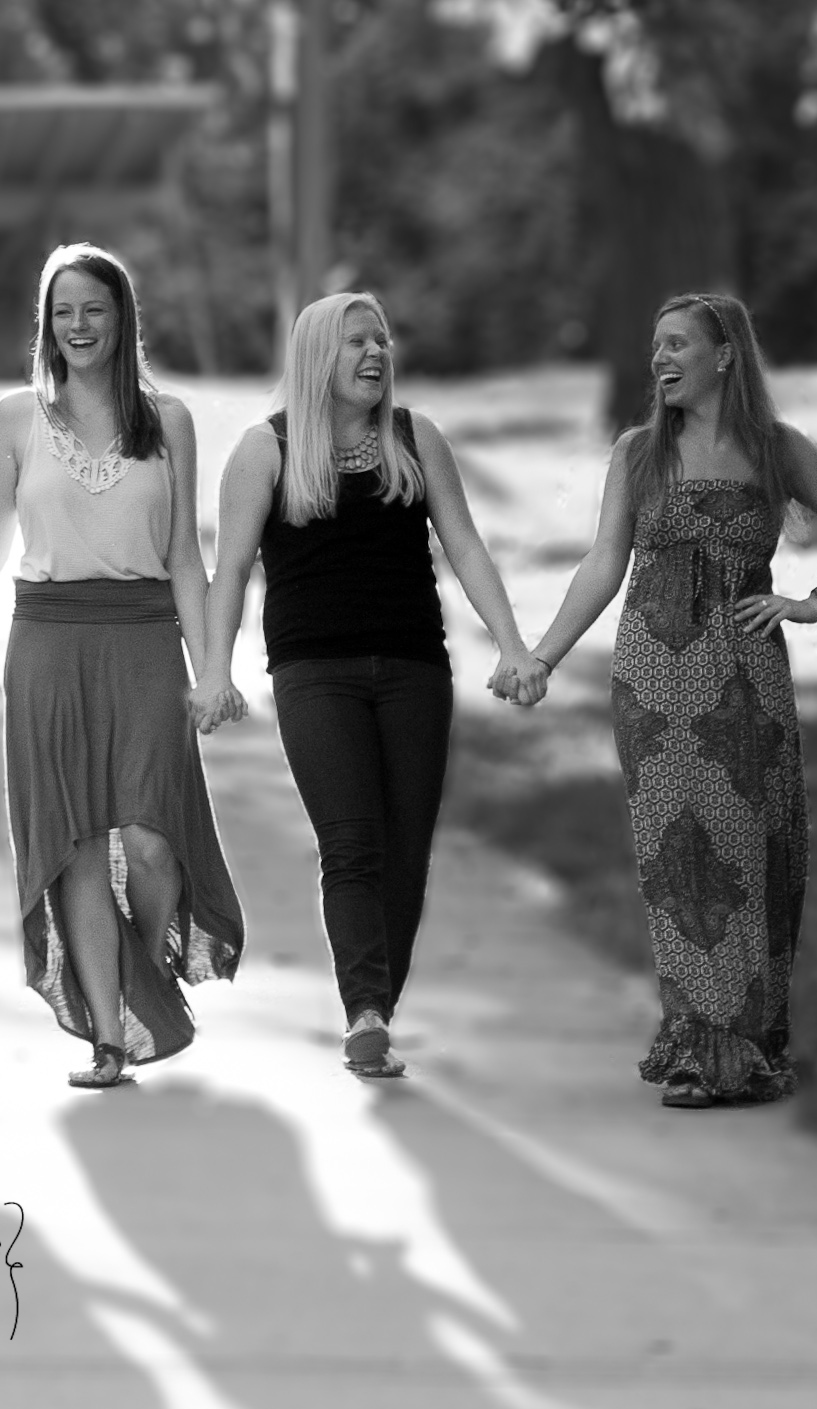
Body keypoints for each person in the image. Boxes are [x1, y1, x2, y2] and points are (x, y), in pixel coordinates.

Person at [528, 292, 817, 1108]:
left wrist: (815, 601)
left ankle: (749, 1045)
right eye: (656, 344)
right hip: (651, 682)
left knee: (752, 854)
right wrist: (543, 655)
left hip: (746, 677)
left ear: (724, 356)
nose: (660, 358)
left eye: (677, 343)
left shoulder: (777, 448)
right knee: (675, 857)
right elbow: (603, 563)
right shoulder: (637, 452)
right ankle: (696, 1046)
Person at [194, 292, 544, 1079]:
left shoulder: (415, 439)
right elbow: (232, 571)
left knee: (405, 850)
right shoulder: (266, 449)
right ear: (320, 353)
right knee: (352, 842)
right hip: (314, 674)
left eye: (381, 340)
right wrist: (215, 669)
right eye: (357, 341)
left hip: (415, 669)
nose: (376, 353)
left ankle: (376, 1006)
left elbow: (465, 546)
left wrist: (513, 645)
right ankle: (366, 1011)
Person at [0, 244, 245, 1087]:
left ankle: (143, 974)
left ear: (121, 318)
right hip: (46, 646)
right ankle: (110, 1038)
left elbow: (185, 557)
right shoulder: (15, 419)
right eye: (62, 311)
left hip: (144, 643)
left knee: (151, 841)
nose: (78, 325)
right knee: (74, 849)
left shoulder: (168, 420)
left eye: (94, 308)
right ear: (46, 323)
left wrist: (212, 668)